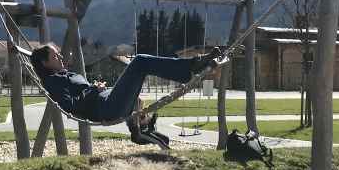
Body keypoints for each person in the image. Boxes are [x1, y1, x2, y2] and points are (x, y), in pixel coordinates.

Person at [30, 43, 221, 147]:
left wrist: (95, 87)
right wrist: (92, 90)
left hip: (105, 100)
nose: (61, 57)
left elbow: (83, 93)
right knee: (140, 62)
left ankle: (141, 129)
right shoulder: (53, 81)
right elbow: (70, 107)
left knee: (138, 98)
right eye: (55, 56)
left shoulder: (65, 75)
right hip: (105, 108)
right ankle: (191, 67)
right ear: (45, 63)